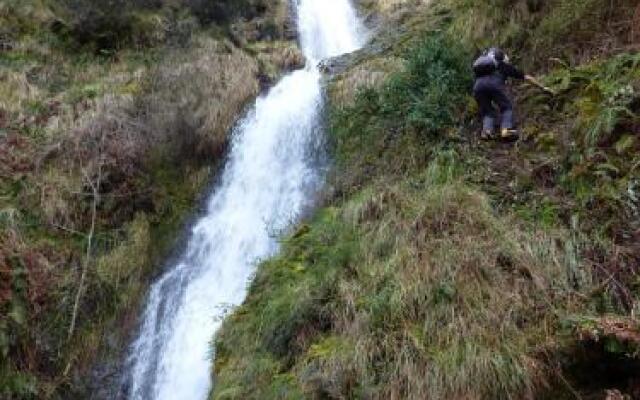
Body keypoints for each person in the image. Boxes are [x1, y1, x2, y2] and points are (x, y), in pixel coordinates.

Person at [472, 47, 553, 140]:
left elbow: (478, 82)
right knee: (506, 107)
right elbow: (527, 77)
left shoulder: (481, 68)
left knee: (487, 112)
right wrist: (542, 87)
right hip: (494, 86)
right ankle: (506, 130)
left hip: (477, 87)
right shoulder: (504, 66)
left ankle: (487, 131)